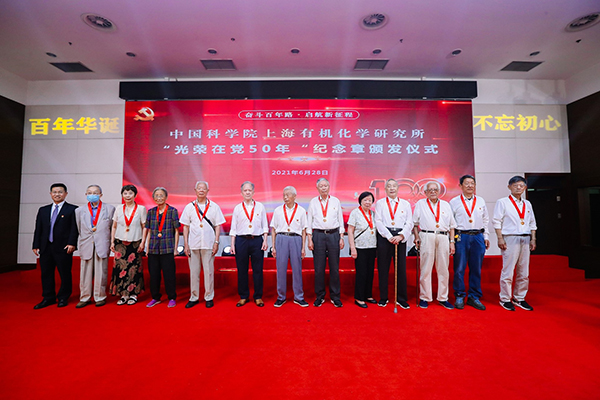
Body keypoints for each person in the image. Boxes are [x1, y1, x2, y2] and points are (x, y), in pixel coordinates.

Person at [493, 176, 537, 311]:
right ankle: (505, 298)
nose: (518, 188)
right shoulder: (502, 202)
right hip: (510, 238)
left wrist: (533, 239)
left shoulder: (527, 204)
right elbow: (496, 221)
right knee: (508, 270)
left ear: (525, 188)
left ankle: (519, 297)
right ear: (509, 187)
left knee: (524, 271)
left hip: (525, 238)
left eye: (521, 185)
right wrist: (500, 238)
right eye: (515, 185)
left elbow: (532, 223)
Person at [32, 183, 78, 309]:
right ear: (50, 194)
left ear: (66, 194)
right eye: (54, 192)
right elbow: (38, 229)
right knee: (46, 273)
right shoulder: (43, 210)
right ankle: (48, 297)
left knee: (64, 273)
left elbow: (74, 229)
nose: (57, 194)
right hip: (46, 247)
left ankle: (63, 297)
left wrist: (72, 243)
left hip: (63, 247)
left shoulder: (72, 209)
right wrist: (36, 245)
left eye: (60, 192)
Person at [180, 181, 225, 308]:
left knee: (209, 272)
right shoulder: (189, 207)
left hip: (209, 243)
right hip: (193, 244)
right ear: (195, 190)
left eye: (203, 189)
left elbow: (217, 226)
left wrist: (216, 242)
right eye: (199, 188)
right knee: (194, 272)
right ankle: (194, 297)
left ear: (207, 191)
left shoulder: (214, 207)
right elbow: (185, 227)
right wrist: (186, 244)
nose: (201, 190)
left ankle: (209, 297)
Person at [413, 181, 456, 309]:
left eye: (435, 189)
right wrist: (416, 237)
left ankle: (443, 298)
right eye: (430, 190)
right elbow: (415, 224)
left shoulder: (446, 205)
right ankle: (424, 297)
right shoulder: (420, 204)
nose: (433, 192)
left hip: (443, 236)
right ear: (425, 192)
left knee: (443, 269)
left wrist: (452, 242)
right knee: (425, 268)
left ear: (439, 192)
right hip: (427, 235)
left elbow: (452, 226)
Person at [449, 175, 490, 310]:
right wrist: (451, 241)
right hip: (461, 236)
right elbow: (451, 223)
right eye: (466, 183)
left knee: (476, 268)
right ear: (460, 186)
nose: (470, 186)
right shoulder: (454, 202)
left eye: (472, 183)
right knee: (459, 268)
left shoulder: (481, 201)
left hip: (478, 236)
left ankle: (474, 296)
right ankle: (459, 295)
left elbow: (485, 220)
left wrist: (486, 236)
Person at [374, 179, 413, 309]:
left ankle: (401, 298)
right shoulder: (380, 203)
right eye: (389, 186)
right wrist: (389, 236)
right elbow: (378, 221)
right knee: (383, 268)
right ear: (385, 189)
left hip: (400, 236)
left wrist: (401, 236)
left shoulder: (405, 204)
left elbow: (409, 222)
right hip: (385, 236)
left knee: (400, 268)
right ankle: (383, 297)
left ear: (397, 188)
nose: (391, 188)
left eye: (394, 186)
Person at [74, 184, 115, 308]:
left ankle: (100, 296)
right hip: (86, 243)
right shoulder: (79, 211)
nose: (92, 195)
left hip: (102, 243)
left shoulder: (110, 209)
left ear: (100, 195)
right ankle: (85, 297)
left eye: (95, 193)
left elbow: (112, 227)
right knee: (85, 272)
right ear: (86, 195)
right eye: (89, 193)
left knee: (101, 272)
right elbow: (79, 228)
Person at [307, 178, 345, 307]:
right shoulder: (313, 202)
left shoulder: (335, 201)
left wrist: (341, 237)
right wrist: (309, 239)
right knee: (319, 268)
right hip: (318, 235)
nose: (323, 188)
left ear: (329, 187)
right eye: (321, 186)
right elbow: (309, 221)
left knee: (334, 268)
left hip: (333, 235)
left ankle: (335, 296)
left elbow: (340, 220)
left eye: (325, 186)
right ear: (317, 188)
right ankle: (320, 296)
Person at [230, 181, 269, 307]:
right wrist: (232, 244)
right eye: (245, 190)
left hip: (257, 240)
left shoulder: (260, 207)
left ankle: (258, 296)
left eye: (249, 190)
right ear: (241, 193)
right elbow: (233, 228)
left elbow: (265, 225)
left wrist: (265, 240)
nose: (247, 192)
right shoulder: (237, 208)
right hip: (241, 240)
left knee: (258, 269)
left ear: (253, 192)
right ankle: (243, 296)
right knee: (242, 269)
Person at [270, 186, 308, 307]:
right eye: (284, 195)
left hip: (296, 239)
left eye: (288, 195)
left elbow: (304, 230)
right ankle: (281, 297)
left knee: (297, 269)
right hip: (281, 238)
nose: (285, 197)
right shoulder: (278, 210)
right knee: (281, 269)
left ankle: (299, 297)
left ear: (294, 196)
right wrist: (273, 246)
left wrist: (303, 248)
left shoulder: (301, 211)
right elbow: (273, 230)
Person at [109, 184, 147, 305]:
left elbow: (144, 227)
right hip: (120, 242)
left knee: (134, 269)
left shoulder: (141, 209)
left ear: (135, 195)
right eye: (125, 193)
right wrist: (112, 241)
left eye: (130, 193)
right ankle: (123, 294)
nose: (127, 196)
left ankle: (134, 294)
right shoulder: (119, 208)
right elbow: (114, 226)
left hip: (135, 242)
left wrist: (143, 242)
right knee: (121, 268)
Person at [144, 187, 180, 308]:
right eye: (157, 196)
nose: (159, 198)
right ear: (153, 198)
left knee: (169, 275)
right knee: (154, 275)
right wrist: (147, 247)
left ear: (166, 197)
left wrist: (175, 248)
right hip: (153, 248)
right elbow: (149, 231)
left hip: (167, 247)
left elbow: (176, 231)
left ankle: (172, 297)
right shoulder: (151, 212)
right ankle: (155, 297)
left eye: (161, 195)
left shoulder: (172, 211)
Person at [348, 191, 377, 308]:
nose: (367, 202)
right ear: (360, 201)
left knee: (370, 272)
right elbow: (350, 231)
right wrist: (352, 247)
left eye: (370, 200)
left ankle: (368, 295)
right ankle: (359, 298)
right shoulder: (355, 213)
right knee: (361, 273)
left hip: (372, 246)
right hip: (360, 247)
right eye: (365, 200)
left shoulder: (373, 214)